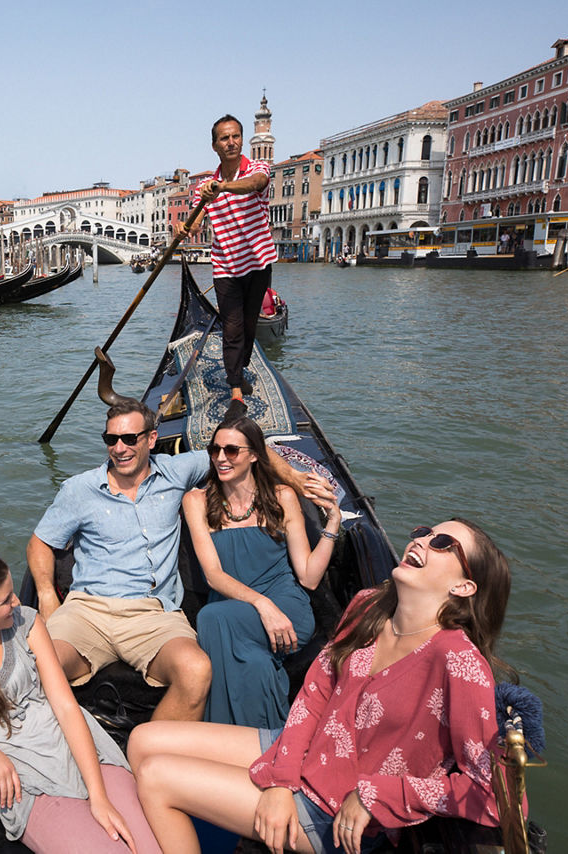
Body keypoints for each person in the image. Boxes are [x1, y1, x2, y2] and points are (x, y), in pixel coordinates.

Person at [129, 518, 511, 854]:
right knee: (143, 740)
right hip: (305, 754)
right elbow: (315, 695)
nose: (422, 541)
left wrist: (377, 795)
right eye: (425, 532)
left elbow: (495, 796)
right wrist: (282, 781)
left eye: (442, 543)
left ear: (464, 586)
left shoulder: (460, 663)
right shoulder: (369, 606)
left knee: (156, 778)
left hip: (329, 810)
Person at [28, 397, 336, 722]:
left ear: (151, 439)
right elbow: (39, 543)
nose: (119, 448)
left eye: (130, 438)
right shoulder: (79, 489)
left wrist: (295, 478)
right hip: (87, 611)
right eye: (111, 439)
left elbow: (247, 448)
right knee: (37, 668)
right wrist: (47, 597)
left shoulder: (176, 472)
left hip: (153, 613)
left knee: (196, 669)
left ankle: (154, 748)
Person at [0, 550, 160, 854]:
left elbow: (66, 707)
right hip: (29, 784)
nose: (17, 602)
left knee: (152, 848)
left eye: (13, 592)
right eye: (5, 600)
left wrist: (99, 796)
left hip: (82, 751)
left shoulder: (27, 622)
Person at [184, 413, 341, 728]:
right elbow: (213, 575)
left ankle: (222, 736)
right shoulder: (196, 500)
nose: (220, 458)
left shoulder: (282, 497)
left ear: (255, 455)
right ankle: (270, 738)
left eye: (232, 450)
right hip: (236, 607)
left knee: (211, 619)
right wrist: (261, 604)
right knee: (253, 660)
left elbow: (309, 577)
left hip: (287, 609)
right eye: (215, 450)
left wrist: (333, 523)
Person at [176, 114, 277, 403]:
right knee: (232, 328)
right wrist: (184, 228)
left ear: (242, 140)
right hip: (226, 266)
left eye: (235, 137)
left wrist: (222, 187)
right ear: (215, 146)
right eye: (224, 138)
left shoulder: (257, 168)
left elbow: (255, 183)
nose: (231, 142)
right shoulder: (205, 187)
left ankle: (239, 369)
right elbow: (196, 223)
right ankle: (235, 391)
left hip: (258, 261)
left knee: (248, 325)